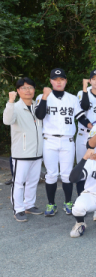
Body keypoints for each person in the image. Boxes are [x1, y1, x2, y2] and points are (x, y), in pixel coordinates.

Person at [35, 68, 91, 216]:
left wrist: (93, 127)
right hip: (50, 140)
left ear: (66, 81)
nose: (58, 82)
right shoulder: (43, 96)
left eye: (61, 79)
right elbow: (39, 115)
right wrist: (46, 96)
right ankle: (51, 204)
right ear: (51, 81)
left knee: (66, 174)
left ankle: (68, 202)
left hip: (67, 140)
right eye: (55, 79)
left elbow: (81, 117)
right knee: (51, 174)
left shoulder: (72, 98)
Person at [4, 78, 43, 222]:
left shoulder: (38, 106)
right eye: (24, 88)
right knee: (19, 182)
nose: (28, 90)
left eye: (30, 87)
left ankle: (29, 205)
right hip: (21, 153)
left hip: (37, 153)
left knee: (33, 181)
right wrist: (10, 101)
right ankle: (18, 209)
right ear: (18, 90)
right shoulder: (15, 106)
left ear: (34, 90)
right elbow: (7, 121)